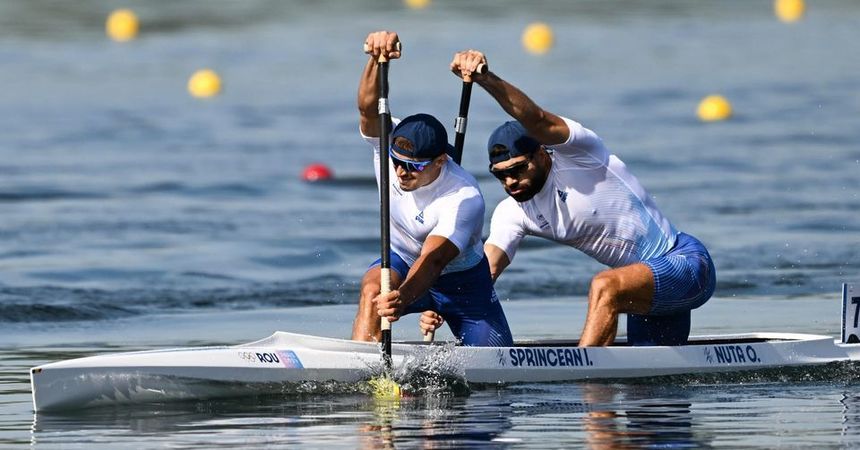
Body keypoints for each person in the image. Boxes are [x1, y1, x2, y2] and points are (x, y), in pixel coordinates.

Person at [421, 49, 716, 347]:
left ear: (542, 152)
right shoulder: (512, 213)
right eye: (500, 175)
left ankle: (584, 383)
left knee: (604, 286)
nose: (510, 181)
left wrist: (486, 80)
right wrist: (442, 304)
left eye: (519, 169)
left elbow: (536, 119)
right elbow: (485, 274)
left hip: (685, 264)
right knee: (646, 387)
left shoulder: (581, 155)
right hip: (640, 288)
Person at [352, 32, 513, 347]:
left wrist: (403, 297)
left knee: (496, 376)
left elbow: (434, 261)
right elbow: (368, 111)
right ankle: (362, 368)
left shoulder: (463, 196)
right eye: (396, 162)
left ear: (441, 161)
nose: (401, 171)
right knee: (374, 290)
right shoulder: (390, 146)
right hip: (400, 259)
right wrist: (375, 60)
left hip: (462, 285)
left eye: (414, 166)